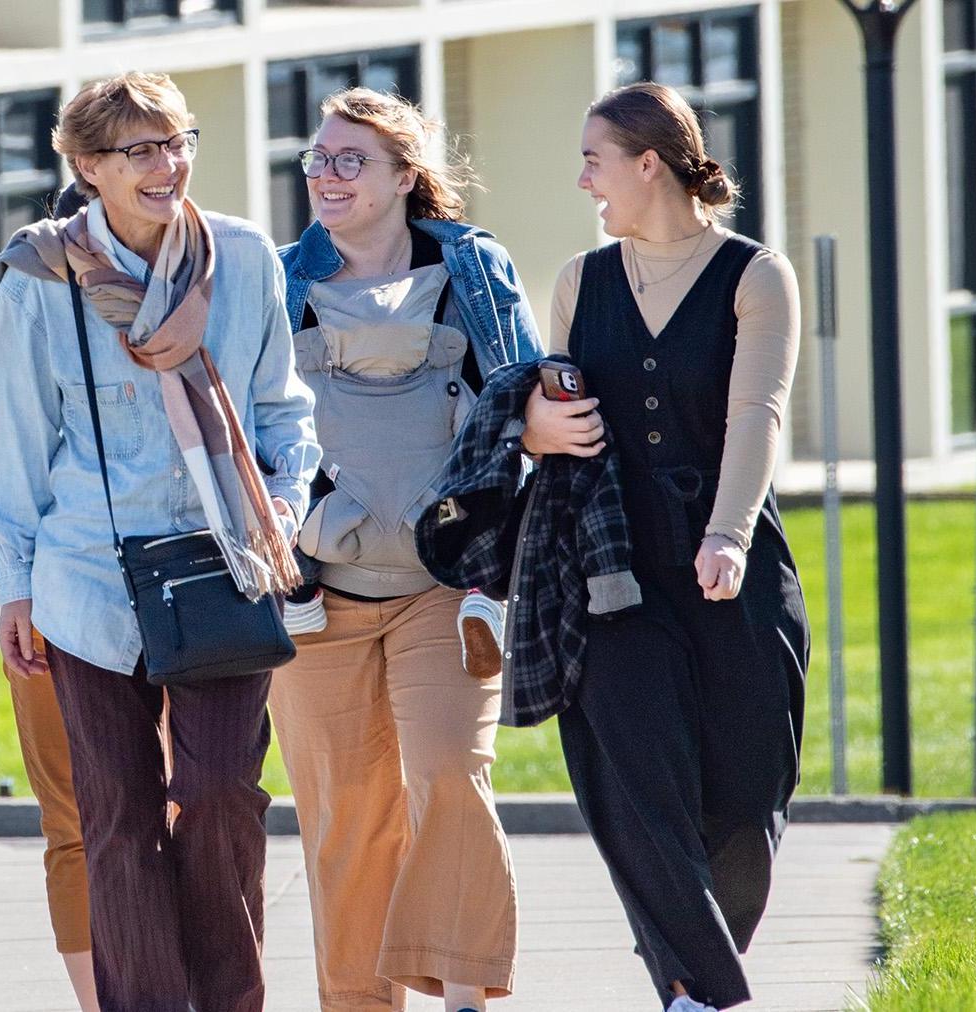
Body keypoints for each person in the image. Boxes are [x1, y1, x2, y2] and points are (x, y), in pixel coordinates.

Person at [0, 71, 319, 1011]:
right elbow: (8, 447)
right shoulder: (39, 278)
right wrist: (16, 587)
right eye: (142, 150)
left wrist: (280, 508)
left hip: (224, 570)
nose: (170, 166)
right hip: (87, 582)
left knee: (216, 799)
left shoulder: (243, 259)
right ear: (86, 167)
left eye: (179, 142)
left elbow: (283, 410)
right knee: (114, 824)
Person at [521, 81, 809, 1012]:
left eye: (594, 160)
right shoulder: (581, 279)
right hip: (608, 570)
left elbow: (755, 412)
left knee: (746, 793)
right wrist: (535, 429)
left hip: (731, 560)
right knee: (636, 787)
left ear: (649, 164)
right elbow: (556, 407)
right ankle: (705, 996)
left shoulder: (755, 275)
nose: (582, 180)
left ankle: (697, 978)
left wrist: (727, 534)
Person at [271, 87, 540, 1011]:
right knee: (347, 824)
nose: (328, 176)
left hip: (446, 589)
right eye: (318, 159)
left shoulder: (473, 267)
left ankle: (463, 996)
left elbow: (518, 390)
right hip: (313, 594)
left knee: (450, 775)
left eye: (352, 160)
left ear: (405, 175)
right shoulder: (277, 282)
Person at [0, 182, 99, 1012]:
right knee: (72, 817)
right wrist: (16, 582)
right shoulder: (7, 300)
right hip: (44, 598)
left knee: (185, 804)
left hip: (174, 597)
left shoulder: (202, 282)